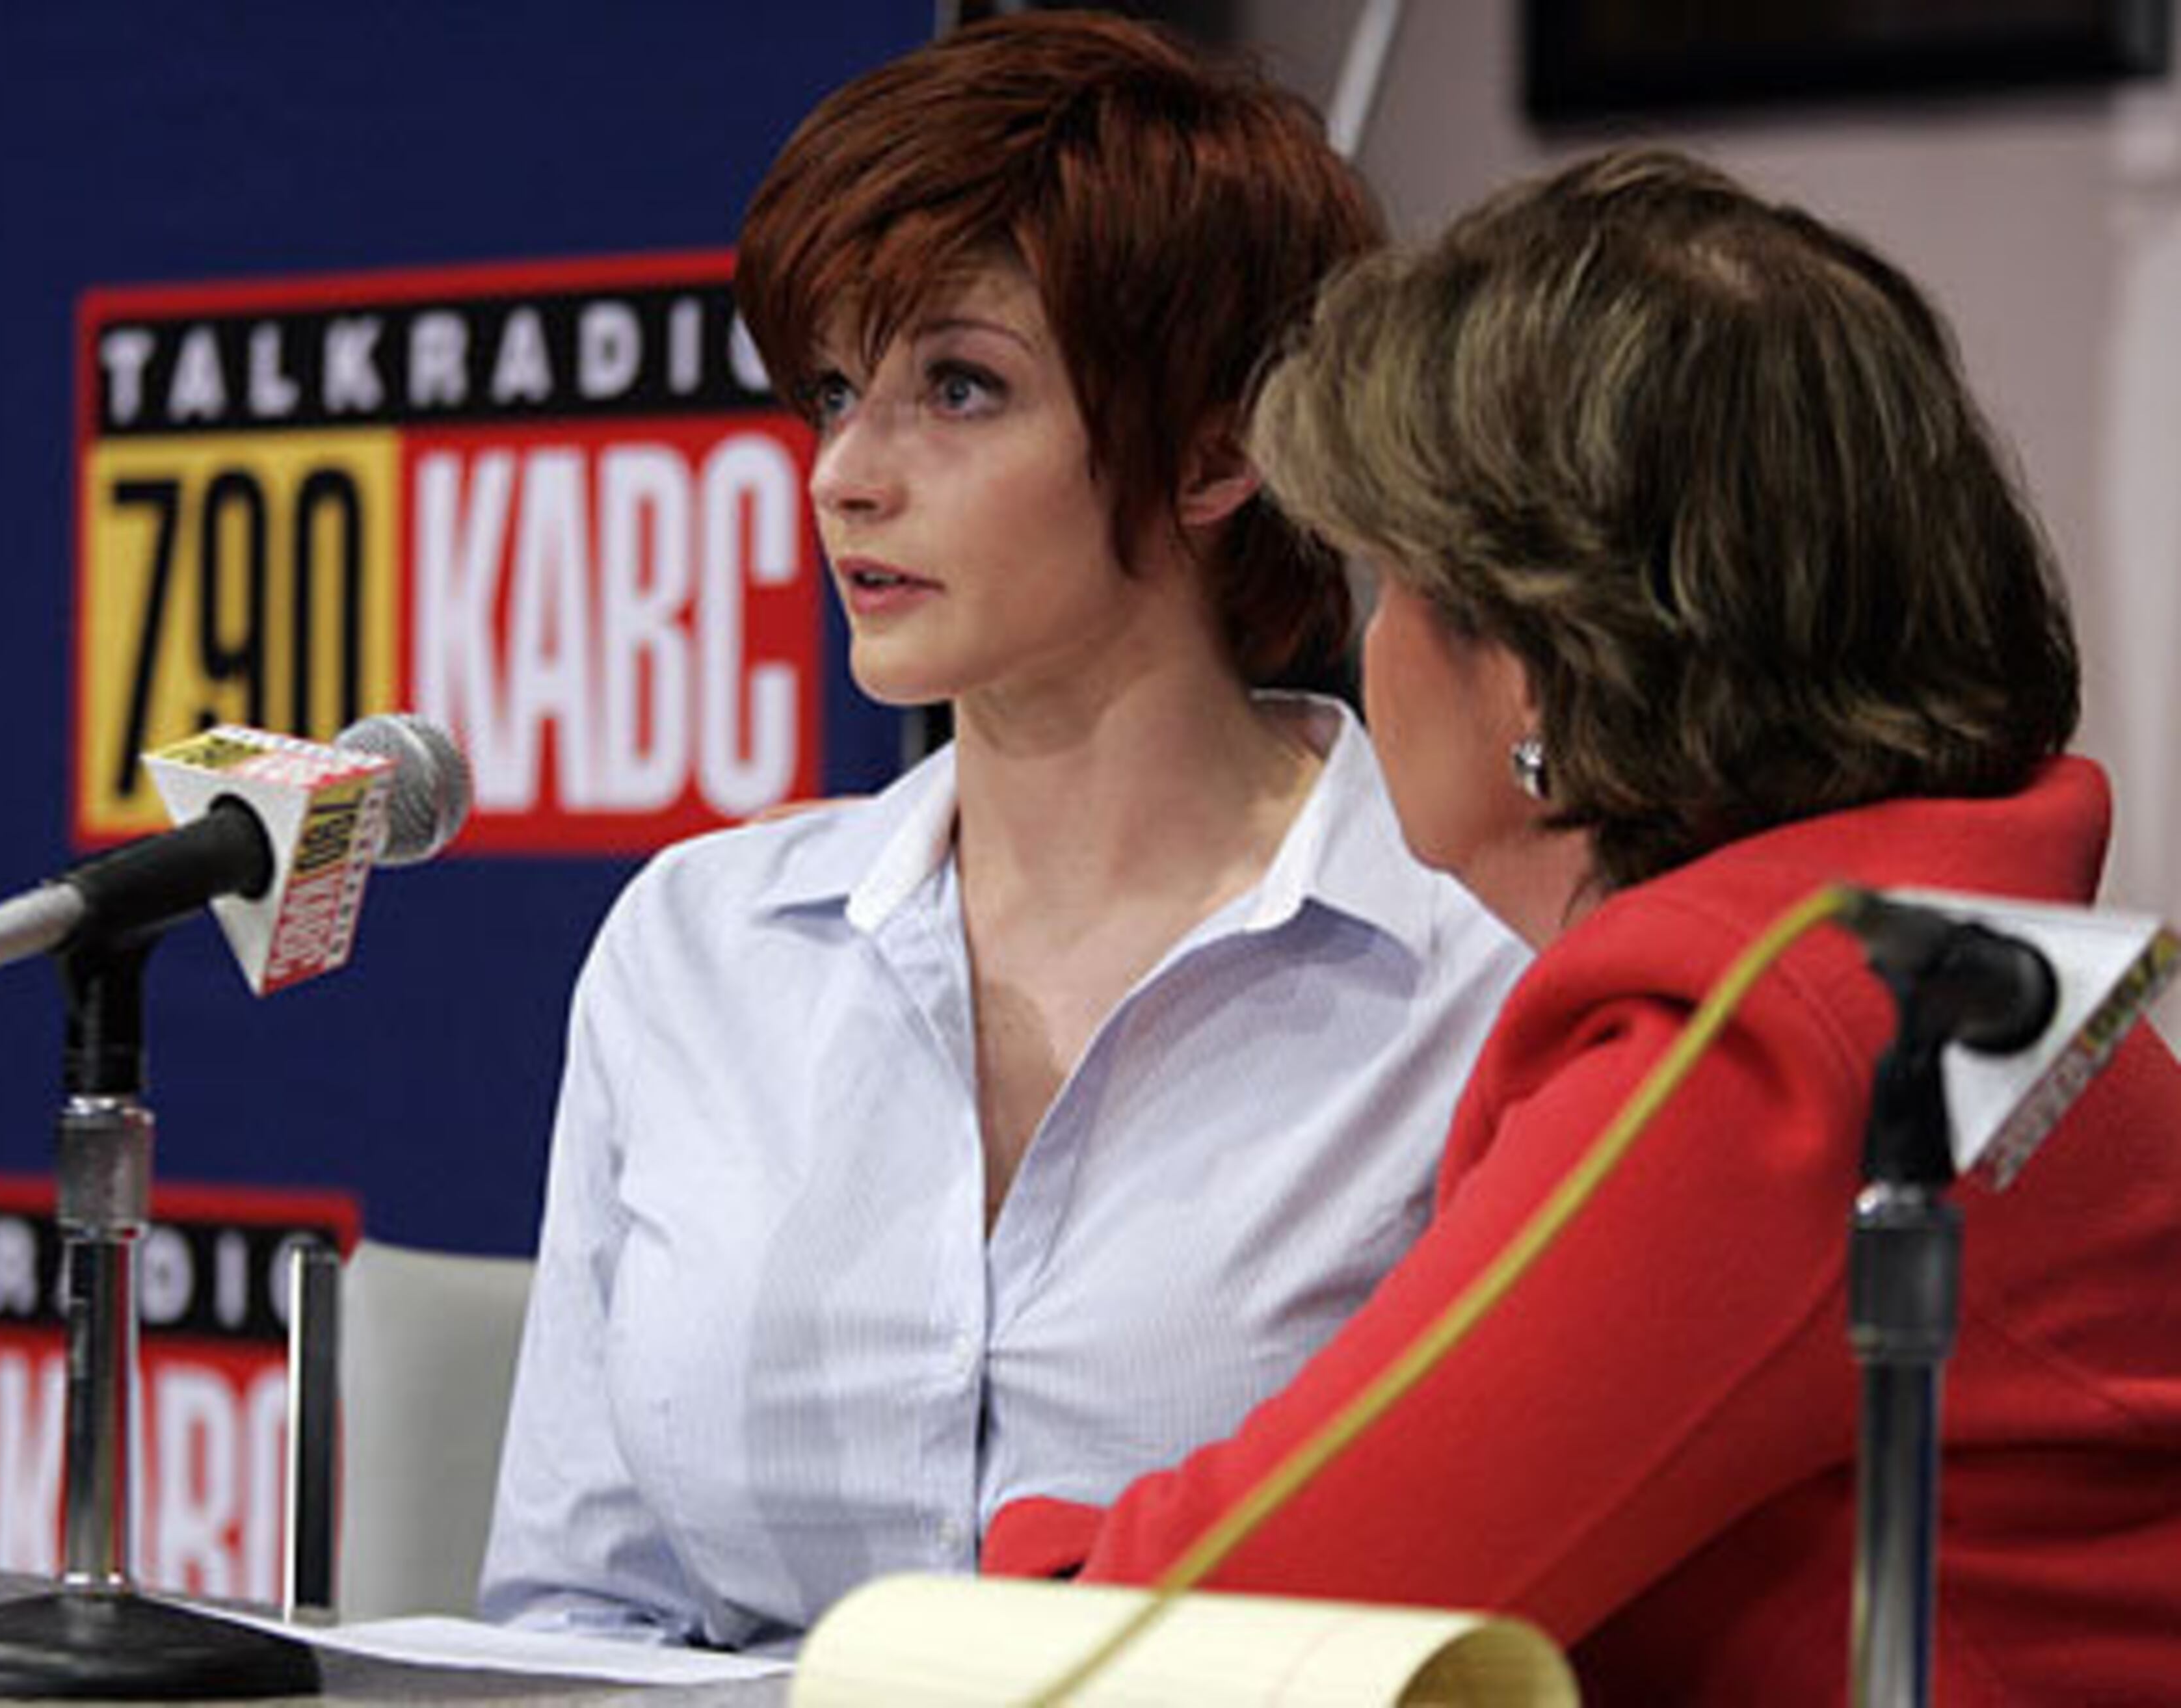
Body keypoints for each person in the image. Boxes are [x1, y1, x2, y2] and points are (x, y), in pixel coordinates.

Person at [983, 145, 2181, 1701]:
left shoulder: (1778, 1068)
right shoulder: (1924, 979)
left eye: (1390, 578)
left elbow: (1247, 1619)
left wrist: (986, 1563)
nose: (1371, 643)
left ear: (1541, 666)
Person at [477, 12, 1527, 1650]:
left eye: (958, 388)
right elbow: (577, 1619)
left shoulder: (1476, 971)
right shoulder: (694, 943)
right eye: (835, 390)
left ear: (1217, 448)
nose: (844, 476)